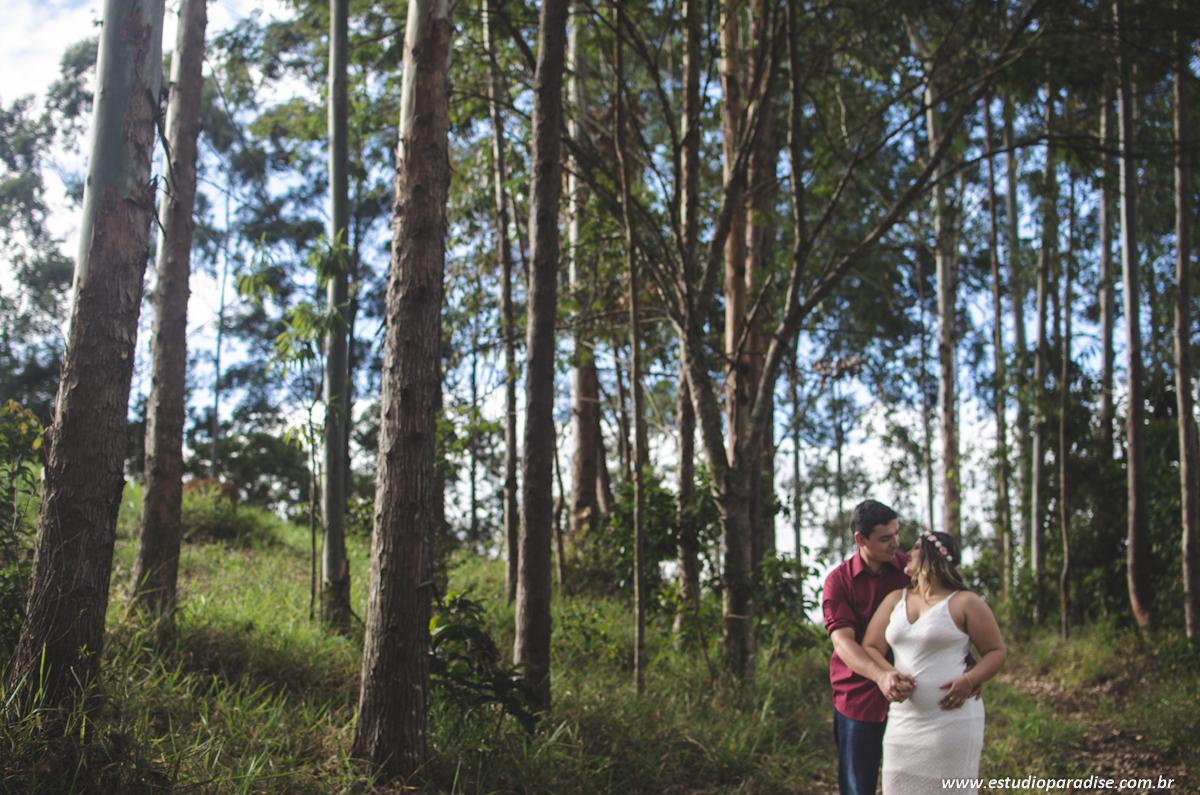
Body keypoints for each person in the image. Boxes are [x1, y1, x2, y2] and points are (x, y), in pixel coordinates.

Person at [862, 530, 1007, 795]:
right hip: (903, 722)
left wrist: (970, 680)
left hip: (951, 721)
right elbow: (870, 646)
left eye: (916, 547)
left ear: (933, 556)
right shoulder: (896, 599)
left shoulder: (965, 602)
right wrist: (889, 675)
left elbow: (996, 652)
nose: (908, 552)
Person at [822, 500, 913, 795]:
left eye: (896, 534)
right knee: (858, 787)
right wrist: (881, 675)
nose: (896, 543)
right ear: (860, 539)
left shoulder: (911, 571)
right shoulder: (838, 582)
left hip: (912, 694)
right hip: (858, 698)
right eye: (886, 538)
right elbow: (843, 642)